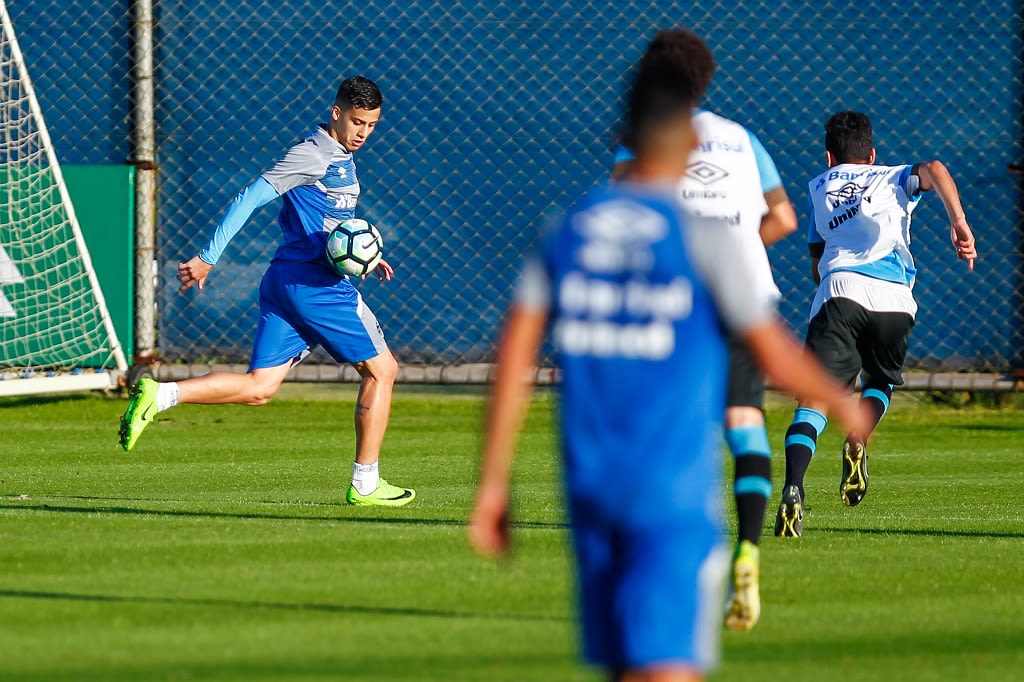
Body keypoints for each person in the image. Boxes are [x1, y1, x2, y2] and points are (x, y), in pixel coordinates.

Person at [469, 29, 871, 682]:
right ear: (687, 147)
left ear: (623, 143)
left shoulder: (567, 231)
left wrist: (492, 484)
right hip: (672, 497)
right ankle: (751, 541)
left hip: (590, 492)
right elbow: (772, 350)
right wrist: (841, 405)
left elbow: (512, 353)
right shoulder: (701, 241)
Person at [118, 76, 415, 508]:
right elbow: (248, 197)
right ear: (336, 113)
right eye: (356, 121)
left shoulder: (341, 156)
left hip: (286, 281)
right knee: (382, 371)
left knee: (259, 388)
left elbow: (330, 222)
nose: (364, 132)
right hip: (316, 287)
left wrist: (364, 255)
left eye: (371, 124)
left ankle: (160, 394)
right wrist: (208, 256)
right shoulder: (312, 154)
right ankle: (366, 483)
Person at [610, 34, 797, 631]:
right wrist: (735, 253)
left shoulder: (646, 140)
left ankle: (673, 564)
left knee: (666, 432)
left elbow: (624, 215)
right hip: (744, 299)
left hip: (677, 301)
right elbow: (784, 218)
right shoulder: (742, 138)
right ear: (705, 80)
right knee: (745, 424)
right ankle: (749, 548)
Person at [775, 110, 977, 537]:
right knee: (880, 382)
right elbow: (936, 169)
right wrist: (958, 222)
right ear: (872, 154)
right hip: (894, 302)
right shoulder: (891, 176)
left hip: (841, 292)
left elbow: (817, 265)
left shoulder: (820, 189)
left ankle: (793, 488)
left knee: (813, 400)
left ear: (830, 157)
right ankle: (859, 438)